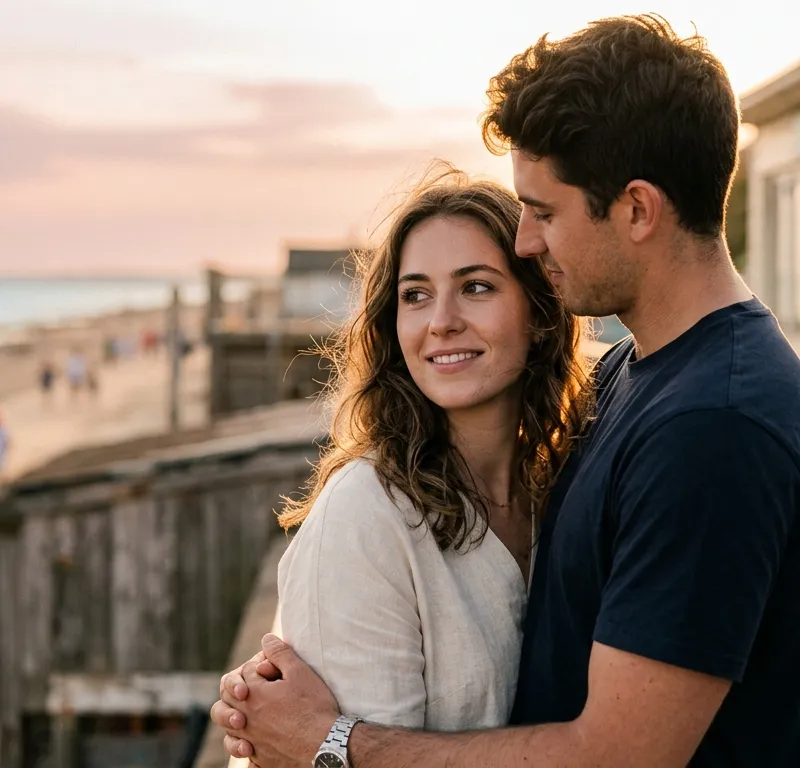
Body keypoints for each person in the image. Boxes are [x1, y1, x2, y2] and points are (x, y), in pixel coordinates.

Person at [212, 13, 800, 768]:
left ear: (638, 209)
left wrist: (330, 742)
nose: (527, 239)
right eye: (415, 295)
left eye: (545, 211)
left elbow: (616, 757)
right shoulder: (627, 378)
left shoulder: (716, 424)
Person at [238, 164, 589, 749]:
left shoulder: (563, 484)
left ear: (540, 312)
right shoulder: (365, 517)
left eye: (476, 286)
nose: (442, 322)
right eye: (416, 295)